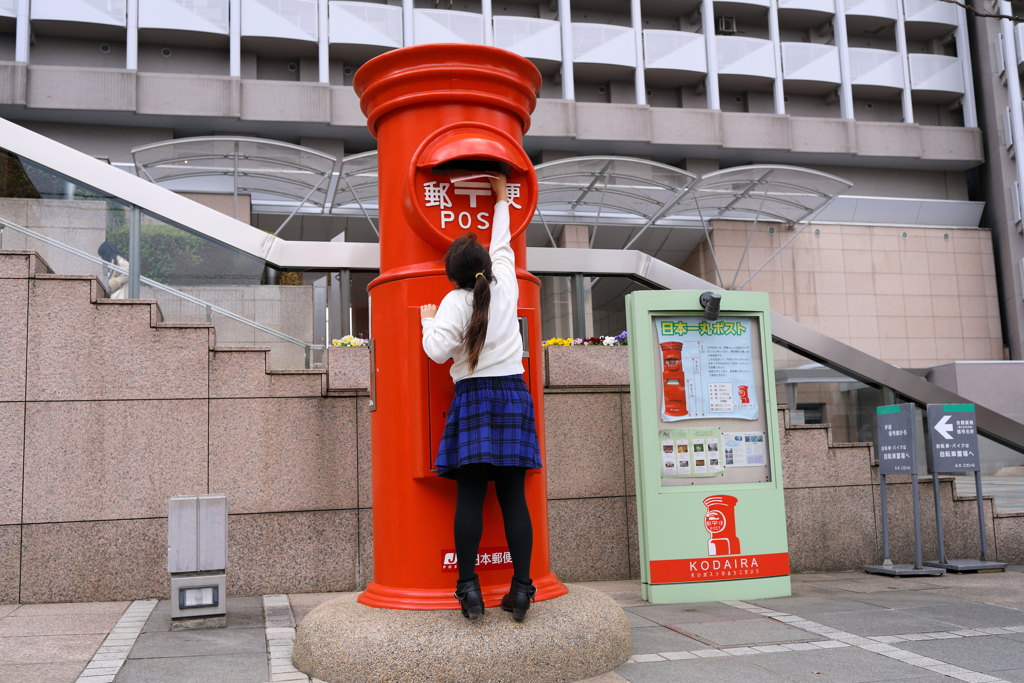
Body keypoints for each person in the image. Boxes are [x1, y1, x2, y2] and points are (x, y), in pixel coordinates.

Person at [420, 174, 542, 622]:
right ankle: (523, 589)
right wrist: (501, 199)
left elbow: (435, 351)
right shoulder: (505, 284)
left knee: (470, 497)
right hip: (513, 394)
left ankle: (468, 589)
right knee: (514, 498)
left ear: (453, 276)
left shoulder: (454, 301)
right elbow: (504, 243)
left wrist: (426, 322)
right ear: (485, 267)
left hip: (472, 397)